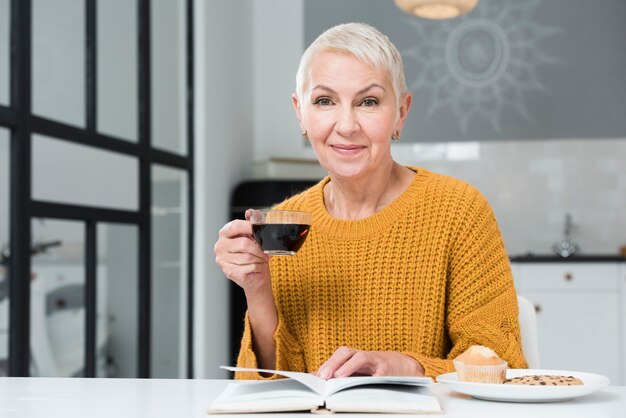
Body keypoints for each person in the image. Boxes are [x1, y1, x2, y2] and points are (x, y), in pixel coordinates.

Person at [214, 22, 527, 380]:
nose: (346, 125)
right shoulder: (285, 227)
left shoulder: (460, 211)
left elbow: (502, 365)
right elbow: (270, 388)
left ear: (401, 114)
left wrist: (408, 368)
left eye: (368, 102)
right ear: (301, 112)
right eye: (325, 101)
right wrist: (257, 289)